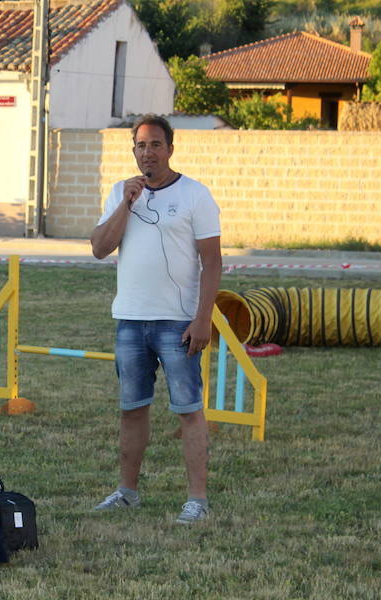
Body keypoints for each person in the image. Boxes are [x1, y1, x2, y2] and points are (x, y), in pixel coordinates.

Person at [90, 115, 222, 524]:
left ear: (170, 148)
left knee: (188, 410)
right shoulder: (121, 192)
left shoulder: (195, 195)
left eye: (155, 144)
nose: (147, 152)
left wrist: (202, 319)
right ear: (134, 150)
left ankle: (197, 500)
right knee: (132, 408)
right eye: (141, 145)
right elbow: (99, 248)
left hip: (177, 323)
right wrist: (127, 204)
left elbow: (212, 262)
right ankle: (127, 492)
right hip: (131, 320)